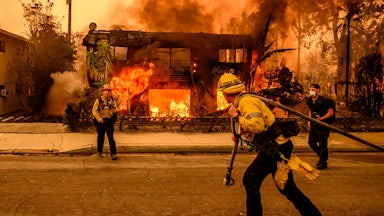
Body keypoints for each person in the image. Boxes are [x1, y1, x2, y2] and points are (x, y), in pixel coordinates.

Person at [218, 73, 321, 216]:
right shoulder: (243, 101)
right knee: (286, 187)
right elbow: (256, 126)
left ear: (225, 93)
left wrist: (236, 116)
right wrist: (241, 133)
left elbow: (257, 126)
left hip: (275, 148)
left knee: (250, 179)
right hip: (278, 146)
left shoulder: (245, 101)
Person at [306, 83, 335, 169]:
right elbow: (310, 111)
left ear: (318, 91)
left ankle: (323, 162)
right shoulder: (309, 101)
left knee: (322, 143)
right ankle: (323, 157)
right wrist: (309, 121)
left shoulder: (324, 101)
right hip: (314, 124)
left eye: (313, 90)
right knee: (311, 142)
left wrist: (322, 118)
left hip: (323, 125)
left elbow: (331, 112)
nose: (311, 92)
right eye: (310, 90)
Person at [92, 84, 119, 160]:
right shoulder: (99, 101)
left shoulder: (112, 101)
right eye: (106, 91)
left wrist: (116, 110)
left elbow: (116, 107)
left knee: (111, 137)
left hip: (109, 121)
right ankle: (99, 151)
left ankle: (113, 153)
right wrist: (98, 118)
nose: (107, 92)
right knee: (101, 137)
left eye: (108, 91)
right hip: (101, 122)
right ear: (103, 92)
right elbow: (94, 110)